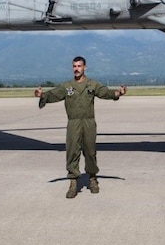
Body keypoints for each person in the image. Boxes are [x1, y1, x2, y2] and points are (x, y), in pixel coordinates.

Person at [35, 56, 126, 198]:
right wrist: (42, 95)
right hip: (73, 123)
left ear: (85, 67)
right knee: (72, 152)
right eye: (74, 66)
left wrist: (118, 93)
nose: (76, 69)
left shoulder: (92, 84)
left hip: (89, 123)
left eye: (79, 66)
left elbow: (106, 92)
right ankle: (73, 181)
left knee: (90, 151)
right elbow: (53, 94)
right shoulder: (67, 86)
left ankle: (92, 178)